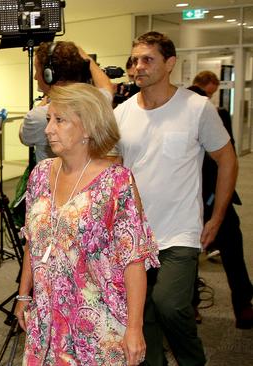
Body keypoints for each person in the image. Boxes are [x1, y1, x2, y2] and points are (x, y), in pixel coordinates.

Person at [114, 31, 238, 366]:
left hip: (180, 232)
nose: (138, 67)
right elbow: (114, 172)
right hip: (135, 235)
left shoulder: (196, 108)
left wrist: (217, 217)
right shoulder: (122, 113)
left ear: (170, 64)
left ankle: (192, 361)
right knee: (142, 311)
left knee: (170, 304)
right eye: (135, 60)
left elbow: (227, 159)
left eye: (147, 59)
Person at [15, 83, 158, 365]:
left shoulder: (116, 182)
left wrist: (134, 327)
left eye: (59, 120)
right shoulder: (41, 175)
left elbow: (134, 260)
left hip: (97, 325)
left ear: (88, 128)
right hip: (45, 320)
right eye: (48, 120)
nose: (48, 130)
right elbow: (33, 242)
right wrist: (24, 295)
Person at [188, 77, 253, 329]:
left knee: (233, 249)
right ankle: (190, 305)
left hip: (217, 196)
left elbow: (229, 157)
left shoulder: (217, 115)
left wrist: (217, 208)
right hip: (188, 200)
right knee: (187, 254)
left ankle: (242, 304)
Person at [19, 41, 113, 162]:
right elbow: (107, 87)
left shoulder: (40, 116)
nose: (35, 77)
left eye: (37, 70)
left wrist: (44, 101)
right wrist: (87, 59)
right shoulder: (96, 103)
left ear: (49, 75)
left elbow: (24, 137)